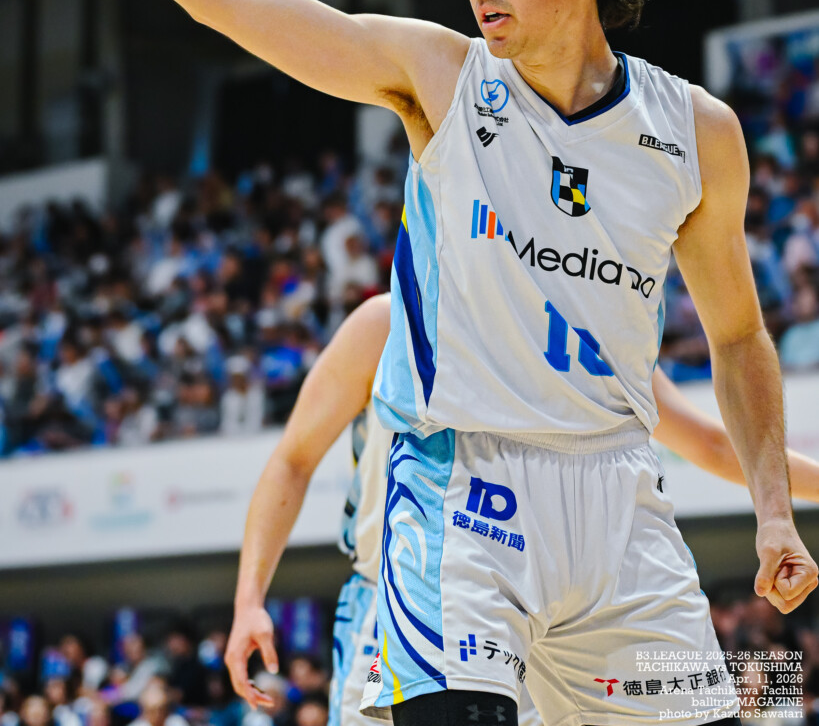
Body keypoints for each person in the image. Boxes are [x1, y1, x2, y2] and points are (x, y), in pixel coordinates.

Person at [23, 0, 817, 725]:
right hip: (463, 493)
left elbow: (739, 336)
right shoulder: (440, 78)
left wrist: (774, 509)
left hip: (622, 491)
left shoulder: (696, 130)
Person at [224, 293, 819, 726]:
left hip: (541, 603)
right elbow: (292, 460)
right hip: (401, 595)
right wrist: (249, 598)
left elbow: (712, 442)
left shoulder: (581, 312)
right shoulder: (388, 319)